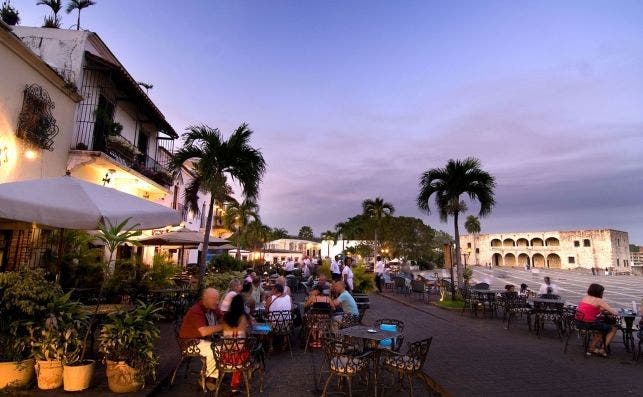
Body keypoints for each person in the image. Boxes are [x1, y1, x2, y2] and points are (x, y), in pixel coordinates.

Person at [178, 288, 223, 386]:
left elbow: (223, 317)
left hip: (202, 340)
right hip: (190, 343)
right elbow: (204, 331)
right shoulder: (196, 310)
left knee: (224, 346)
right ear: (205, 299)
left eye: (218, 299)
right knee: (216, 349)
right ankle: (209, 378)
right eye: (214, 299)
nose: (217, 302)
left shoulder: (213, 308)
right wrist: (223, 326)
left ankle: (212, 372)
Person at [220, 294, 252, 391]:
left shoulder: (225, 317)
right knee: (244, 349)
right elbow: (247, 334)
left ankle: (224, 381)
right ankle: (236, 384)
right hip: (239, 359)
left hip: (224, 357)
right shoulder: (244, 317)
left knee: (234, 347)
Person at [576, 283, 618, 357]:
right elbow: (614, 312)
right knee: (613, 328)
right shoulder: (599, 300)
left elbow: (591, 309)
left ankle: (592, 347)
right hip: (589, 324)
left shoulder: (585, 298)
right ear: (599, 292)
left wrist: (602, 310)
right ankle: (602, 349)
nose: (603, 293)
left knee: (602, 328)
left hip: (579, 323)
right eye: (602, 292)